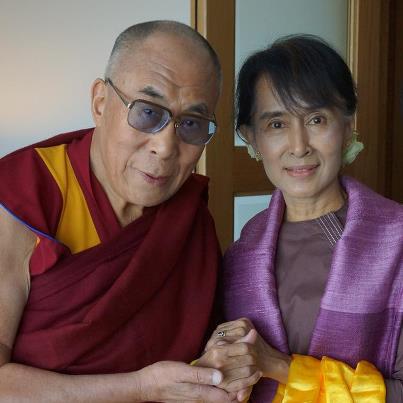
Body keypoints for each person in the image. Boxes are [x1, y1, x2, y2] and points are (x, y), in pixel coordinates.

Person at [0, 21, 259, 402]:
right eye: (148, 112)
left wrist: (223, 355)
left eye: (191, 123)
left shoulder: (188, 219)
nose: (166, 146)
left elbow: (200, 349)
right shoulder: (25, 197)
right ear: (101, 103)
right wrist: (140, 388)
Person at [208, 35, 403, 402]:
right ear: (251, 139)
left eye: (316, 119)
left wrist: (283, 368)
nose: (299, 146)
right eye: (276, 124)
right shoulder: (242, 257)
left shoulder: (396, 242)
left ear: (346, 127)